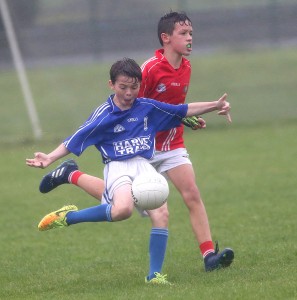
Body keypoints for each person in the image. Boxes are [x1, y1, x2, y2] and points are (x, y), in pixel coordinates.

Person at [31, 12, 234, 278]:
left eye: (191, 33)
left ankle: (201, 259)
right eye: (183, 34)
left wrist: (201, 111)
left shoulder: (184, 68)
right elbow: (110, 118)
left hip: (164, 145)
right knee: (123, 204)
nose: (189, 38)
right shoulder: (146, 71)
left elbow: (173, 108)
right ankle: (71, 177)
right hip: (136, 146)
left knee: (181, 198)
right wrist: (51, 156)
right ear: (166, 38)